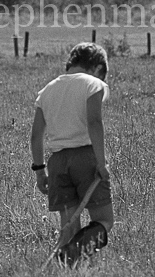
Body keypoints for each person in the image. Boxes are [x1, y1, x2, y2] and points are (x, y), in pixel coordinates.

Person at [30, 42, 114, 266]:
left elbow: (36, 136)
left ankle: (67, 266)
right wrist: (102, 162)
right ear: (97, 68)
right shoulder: (93, 84)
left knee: (69, 227)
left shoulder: (47, 90)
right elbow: (94, 122)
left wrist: (40, 171)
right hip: (86, 158)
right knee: (104, 219)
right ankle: (71, 256)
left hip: (57, 163)